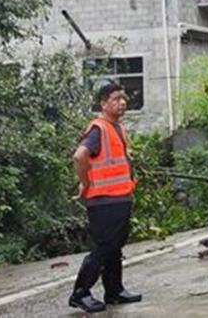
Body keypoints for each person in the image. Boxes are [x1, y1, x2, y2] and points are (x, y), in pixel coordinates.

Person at [69, 83, 142, 313]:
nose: (122, 102)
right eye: (116, 99)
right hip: (103, 198)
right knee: (104, 246)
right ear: (103, 104)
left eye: (124, 98)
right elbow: (79, 156)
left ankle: (114, 291)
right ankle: (80, 293)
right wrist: (85, 182)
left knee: (115, 246)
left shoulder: (116, 127)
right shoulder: (98, 128)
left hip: (119, 197)